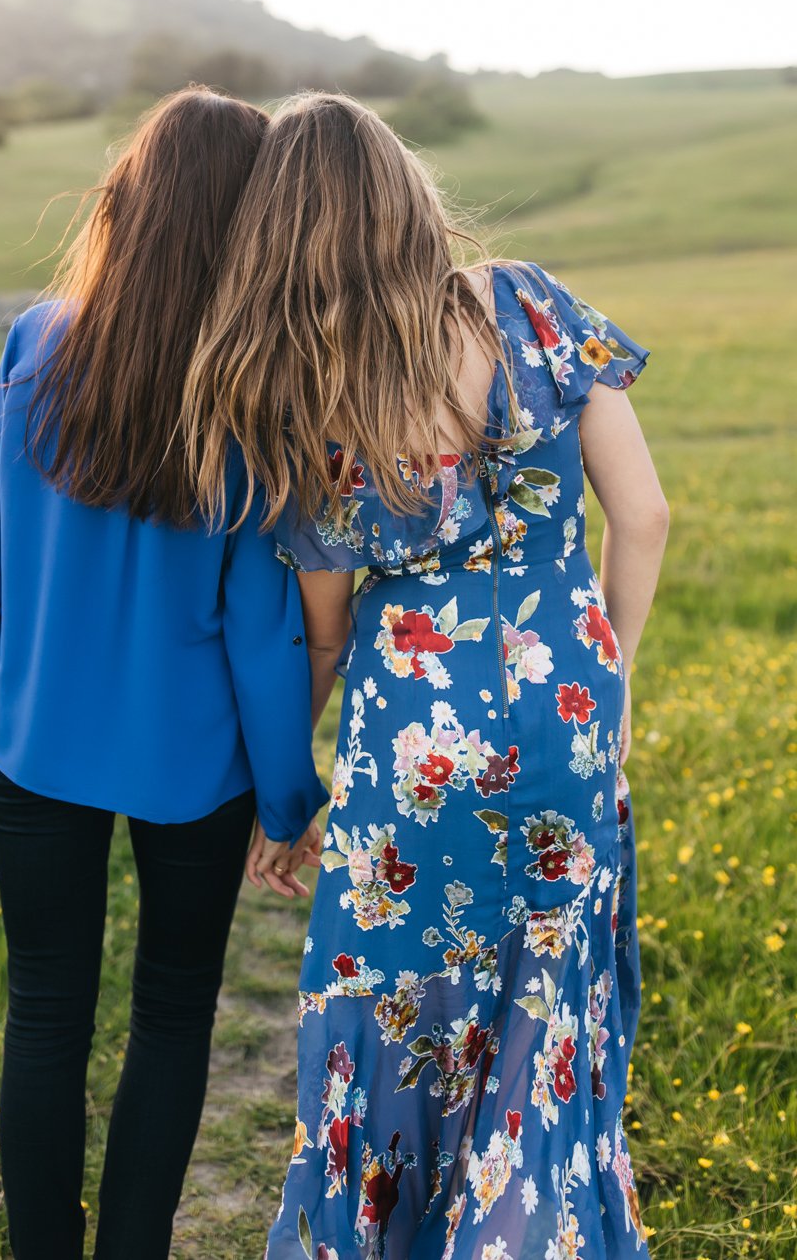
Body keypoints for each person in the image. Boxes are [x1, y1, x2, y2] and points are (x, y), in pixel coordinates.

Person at [186, 92, 669, 1258]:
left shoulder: (301, 396)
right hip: (562, 720)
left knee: (398, 1017)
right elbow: (643, 517)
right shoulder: (532, 309)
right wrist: (601, 676)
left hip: (408, 751)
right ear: (410, 199)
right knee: (545, 1013)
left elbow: (329, 632)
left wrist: (284, 800)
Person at [0, 87, 327, 1260]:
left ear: (131, 199)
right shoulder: (259, 393)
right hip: (193, 760)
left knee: (45, 1010)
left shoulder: (37, 340)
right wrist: (285, 797)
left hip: (34, 726)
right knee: (170, 1012)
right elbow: (264, 631)